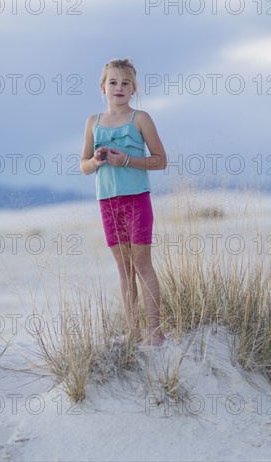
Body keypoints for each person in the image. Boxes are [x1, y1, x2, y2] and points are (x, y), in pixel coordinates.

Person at [80, 58, 167, 346]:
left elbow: (160, 160)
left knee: (142, 264)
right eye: (113, 82)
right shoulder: (93, 122)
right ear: (103, 87)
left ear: (133, 88)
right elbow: (83, 165)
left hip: (137, 200)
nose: (119, 87)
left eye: (125, 83)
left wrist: (127, 160)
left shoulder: (140, 118)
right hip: (107, 203)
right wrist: (96, 160)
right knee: (124, 269)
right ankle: (133, 332)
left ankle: (155, 332)